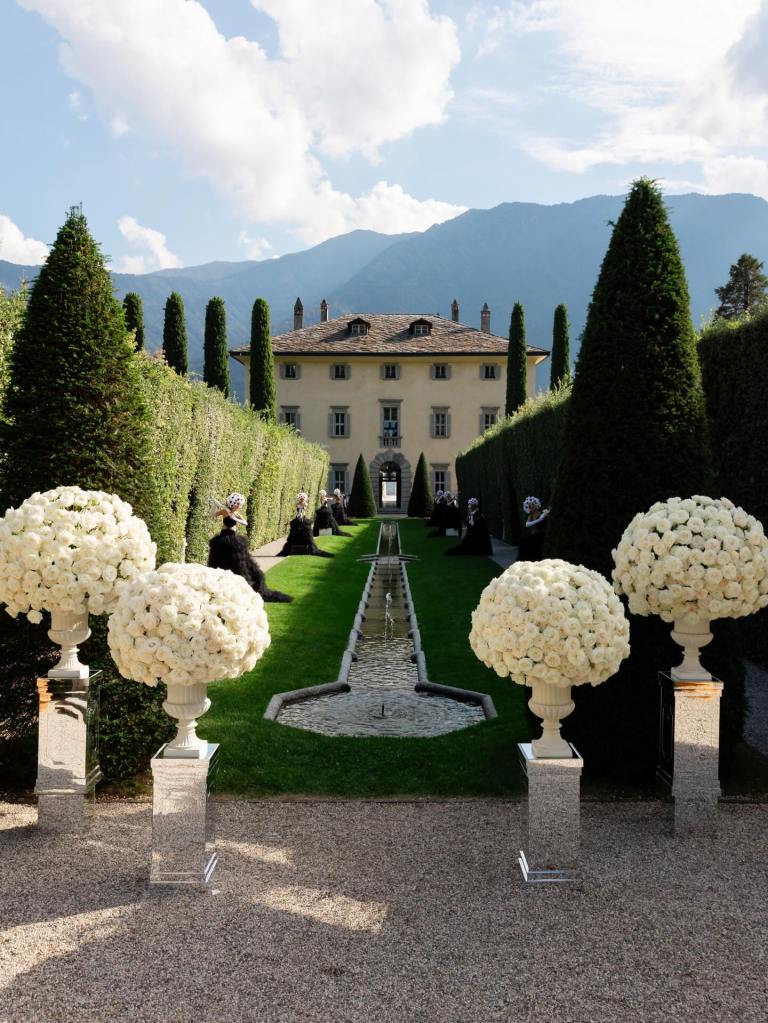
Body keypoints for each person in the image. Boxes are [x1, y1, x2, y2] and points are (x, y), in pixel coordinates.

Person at [208, 516, 292, 602]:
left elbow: (212, 563)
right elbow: (244, 522)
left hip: (220, 574)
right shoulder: (239, 543)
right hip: (237, 572)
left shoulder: (216, 543)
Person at [277, 491, 333, 558]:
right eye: (301, 499)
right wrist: (300, 510)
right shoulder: (298, 504)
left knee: (305, 529)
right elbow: (298, 509)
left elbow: (303, 509)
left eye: (302, 499)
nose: (301, 500)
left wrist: (302, 509)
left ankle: (308, 547)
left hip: (302, 517)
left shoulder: (304, 504)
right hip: (298, 517)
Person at [517, 495, 550, 561]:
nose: (530, 506)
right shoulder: (530, 516)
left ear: (536, 505)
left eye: (532, 504)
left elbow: (543, 527)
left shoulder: (542, 515)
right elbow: (527, 525)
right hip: (531, 537)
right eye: (529, 505)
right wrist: (539, 520)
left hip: (540, 537)